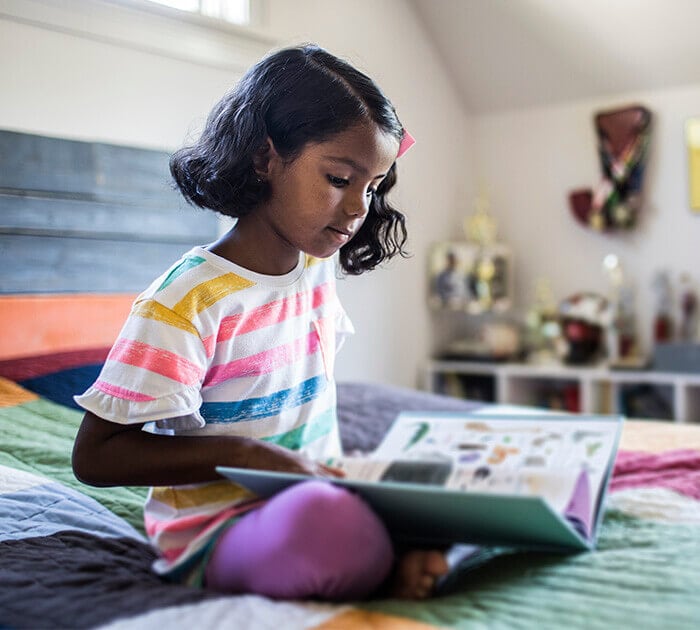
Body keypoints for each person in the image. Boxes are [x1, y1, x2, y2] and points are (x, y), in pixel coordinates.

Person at [72, 44, 449, 601]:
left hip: (313, 488)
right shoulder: (185, 299)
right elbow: (96, 456)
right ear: (263, 158)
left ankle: (395, 546)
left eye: (371, 188)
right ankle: (387, 562)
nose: (358, 209)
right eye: (340, 179)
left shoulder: (316, 269)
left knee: (445, 481)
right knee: (328, 526)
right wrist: (248, 455)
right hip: (221, 529)